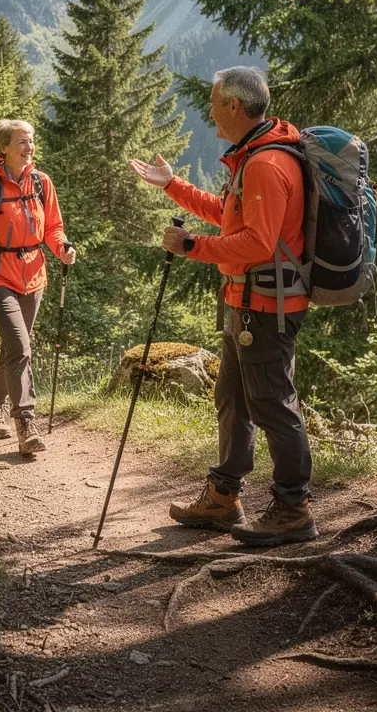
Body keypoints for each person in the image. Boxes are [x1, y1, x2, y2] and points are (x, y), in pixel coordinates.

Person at [129, 66, 317, 546]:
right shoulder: (252, 157)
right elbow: (228, 214)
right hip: (249, 301)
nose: (209, 110)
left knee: (273, 403)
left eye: (214, 102)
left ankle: (293, 508)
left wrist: (193, 247)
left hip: (268, 307)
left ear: (234, 106)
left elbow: (255, 243)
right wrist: (172, 185)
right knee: (233, 399)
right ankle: (223, 497)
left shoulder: (266, 165)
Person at [0, 119, 75, 456]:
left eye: (31, 141)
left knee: (14, 349)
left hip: (33, 276)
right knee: (20, 347)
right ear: (4, 148)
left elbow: (53, 227)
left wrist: (63, 247)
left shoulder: (42, 182)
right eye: (22, 142)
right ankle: (25, 423)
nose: (29, 147)